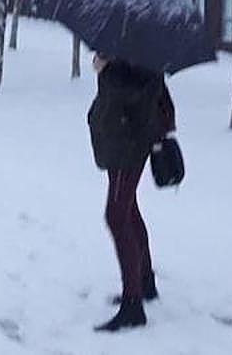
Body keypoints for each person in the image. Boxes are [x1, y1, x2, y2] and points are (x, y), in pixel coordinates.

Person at [87, 52, 176, 332]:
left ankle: (133, 304)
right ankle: (145, 283)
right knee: (128, 209)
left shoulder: (142, 53)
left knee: (116, 215)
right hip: (121, 138)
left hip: (131, 142)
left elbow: (137, 92)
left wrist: (106, 71)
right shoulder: (130, 45)